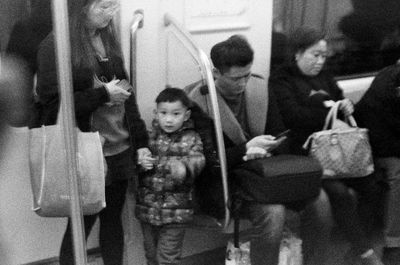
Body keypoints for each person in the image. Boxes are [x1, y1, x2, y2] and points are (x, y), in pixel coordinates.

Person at [188, 34, 332, 265]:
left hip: (266, 174)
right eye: (235, 79)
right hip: (228, 182)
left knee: (320, 200)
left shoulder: (259, 89)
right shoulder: (198, 104)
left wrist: (273, 145)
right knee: (273, 213)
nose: (243, 84)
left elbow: (279, 133)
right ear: (215, 74)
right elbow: (208, 163)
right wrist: (246, 149)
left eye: (246, 76)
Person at [31, 0, 149, 264]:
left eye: (113, 6)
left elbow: (128, 97)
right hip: (85, 150)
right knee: (80, 226)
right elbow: (54, 106)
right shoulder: (55, 46)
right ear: (81, 7)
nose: (111, 14)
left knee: (113, 221)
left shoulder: (107, 38)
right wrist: (103, 94)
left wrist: (141, 142)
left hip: (119, 146)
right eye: (103, 7)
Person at [269, 27, 383, 265]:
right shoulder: (281, 79)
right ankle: (365, 252)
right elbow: (294, 117)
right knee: (339, 194)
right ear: (298, 53)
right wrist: (326, 109)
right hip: (303, 153)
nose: (320, 61)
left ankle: (355, 248)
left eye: (323, 56)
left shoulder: (325, 76)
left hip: (336, 150)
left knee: (374, 183)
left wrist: (346, 107)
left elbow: (340, 101)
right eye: (315, 55)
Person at [136, 87, 206, 265]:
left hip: (176, 211)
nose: (169, 119)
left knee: (167, 257)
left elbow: (198, 160)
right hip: (148, 208)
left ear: (186, 115)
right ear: (156, 113)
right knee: (151, 255)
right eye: (163, 113)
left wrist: (184, 168)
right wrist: (141, 163)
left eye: (176, 114)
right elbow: (138, 164)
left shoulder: (191, 138)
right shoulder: (149, 137)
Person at [354, 63, 400, 265]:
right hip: (375, 147)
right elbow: (378, 134)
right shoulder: (386, 84)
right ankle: (393, 243)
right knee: (398, 174)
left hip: (391, 142)